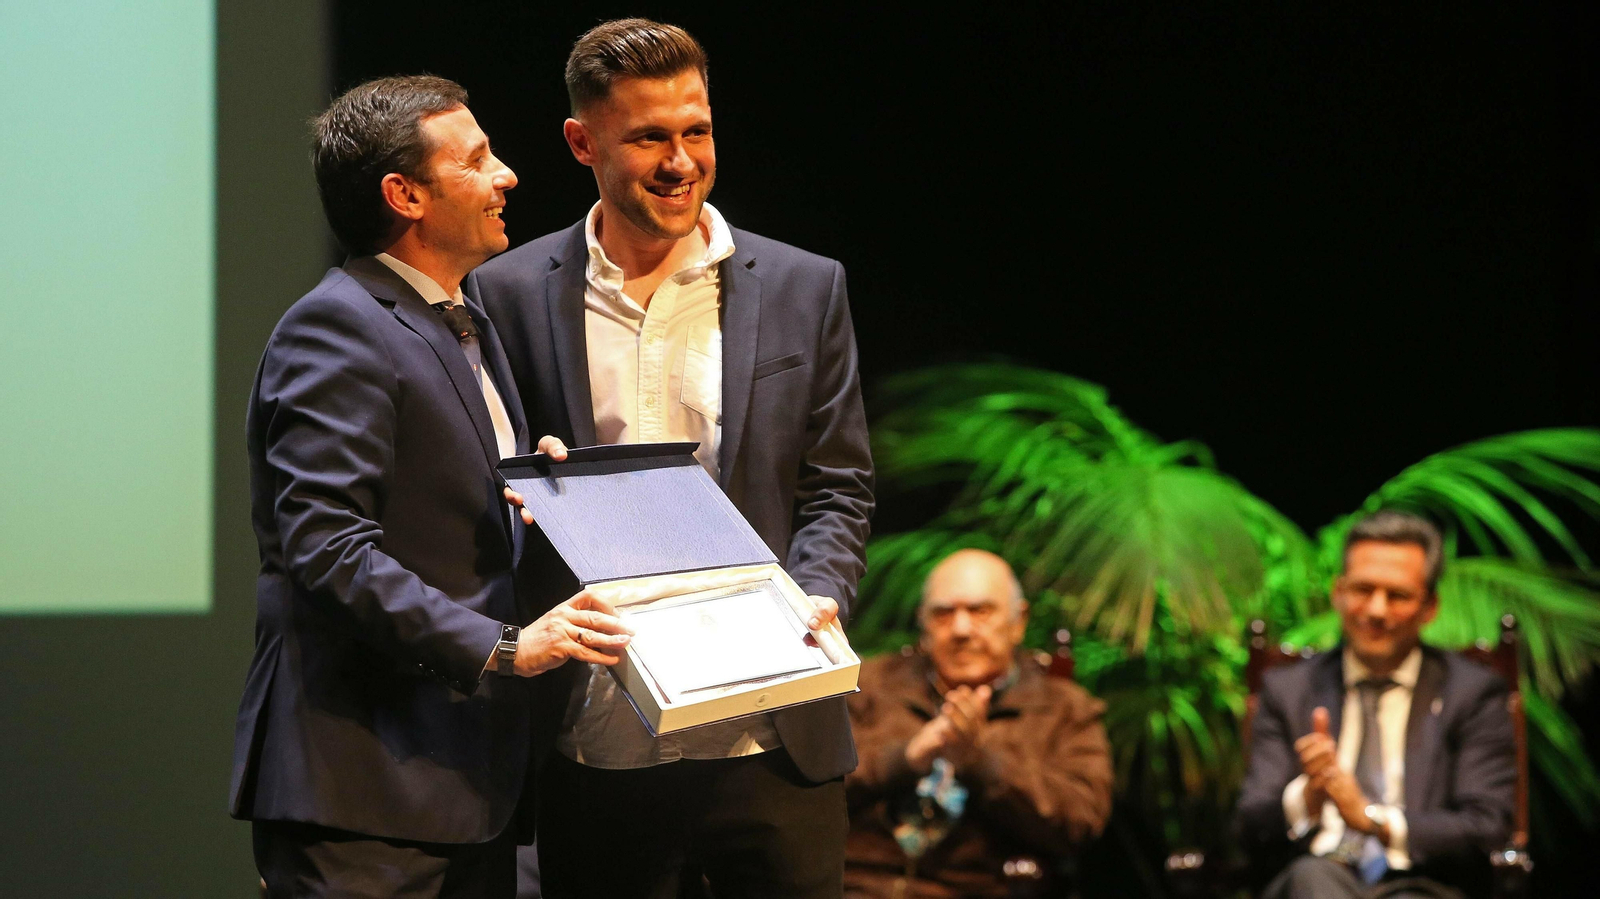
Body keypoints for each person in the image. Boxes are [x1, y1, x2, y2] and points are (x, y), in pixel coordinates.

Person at [468, 18, 874, 898]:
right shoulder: (504, 294)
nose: (680, 160)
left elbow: (839, 484)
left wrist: (822, 589)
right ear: (583, 142)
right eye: (649, 136)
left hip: (773, 738)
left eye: (696, 131)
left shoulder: (806, 286)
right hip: (598, 739)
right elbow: (484, 482)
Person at [230, 75, 632, 898]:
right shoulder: (338, 324)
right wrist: (505, 646)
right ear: (404, 194)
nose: (507, 174)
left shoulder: (462, 316)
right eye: (478, 159)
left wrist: (531, 480)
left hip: (465, 781)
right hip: (367, 786)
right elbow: (327, 545)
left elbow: (437, 496)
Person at [1236, 511, 1516, 899]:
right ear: (1339, 593)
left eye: (1397, 595)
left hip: (1424, 883)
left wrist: (1372, 820)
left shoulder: (1470, 693)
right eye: (1363, 590)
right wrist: (1308, 797)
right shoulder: (1289, 689)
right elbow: (1250, 823)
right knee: (1313, 880)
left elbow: (1487, 823)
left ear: (1430, 607)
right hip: (1315, 880)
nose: (1376, 611)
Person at [842, 549, 1113, 898]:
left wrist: (981, 762)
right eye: (943, 613)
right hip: (857, 886)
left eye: (980, 611)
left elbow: (1081, 820)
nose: (961, 629)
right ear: (923, 622)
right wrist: (904, 759)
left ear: (1019, 621)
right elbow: (812, 788)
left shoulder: (1065, 709)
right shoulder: (869, 686)